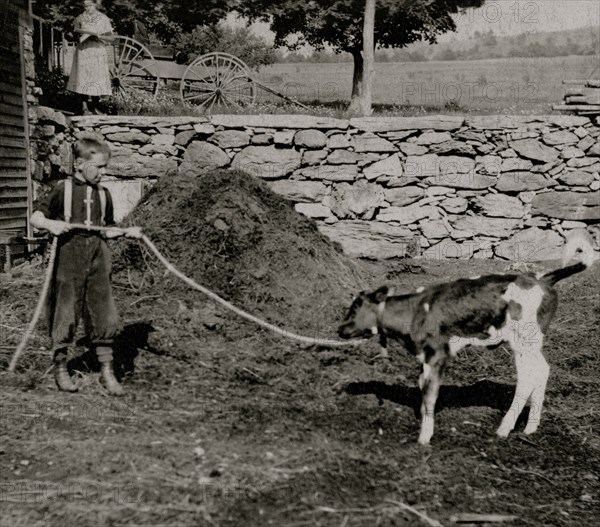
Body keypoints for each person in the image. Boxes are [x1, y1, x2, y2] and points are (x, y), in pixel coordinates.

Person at [30, 136, 142, 395]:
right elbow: (36, 217)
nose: (103, 173)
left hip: (98, 256)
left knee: (104, 309)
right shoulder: (63, 190)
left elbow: (108, 228)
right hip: (69, 255)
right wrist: (51, 224)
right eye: (99, 167)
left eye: (105, 167)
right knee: (66, 308)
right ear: (79, 164)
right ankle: (60, 368)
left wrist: (127, 232)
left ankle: (106, 370)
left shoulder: (104, 194)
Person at [67, 0, 115, 115]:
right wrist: (73, 35)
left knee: (96, 77)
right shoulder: (80, 18)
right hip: (83, 51)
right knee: (83, 77)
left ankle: (95, 107)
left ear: (95, 5)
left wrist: (98, 36)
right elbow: (72, 34)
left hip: (97, 50)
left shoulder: (103, 19)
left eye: (89, 6)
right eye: (85, 6)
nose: (87, 8)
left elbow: (111, 38)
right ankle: (84, 107)